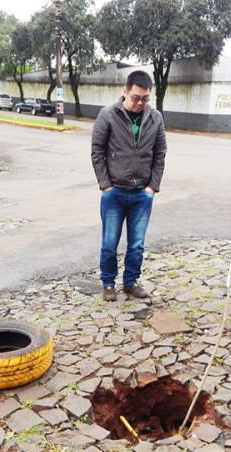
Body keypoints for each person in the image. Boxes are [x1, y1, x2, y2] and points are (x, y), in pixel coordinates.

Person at [91, 70, 167, 301]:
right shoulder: (107, 115)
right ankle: (108, 283)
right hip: (114, 192)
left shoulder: (155, 118)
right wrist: (105, 185)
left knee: (136, 244)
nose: (140, 103)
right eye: (136, 97)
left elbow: (160, 154)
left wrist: (152, 187)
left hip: (142, 194)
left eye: (145, 98)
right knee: (109, 242)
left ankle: (131, 281)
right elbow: (97, 152)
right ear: (125, 91)